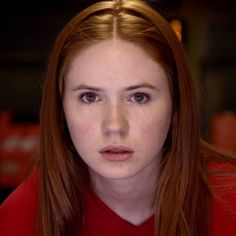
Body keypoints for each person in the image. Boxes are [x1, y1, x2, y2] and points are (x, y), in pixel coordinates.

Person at [0, 0, 236, 235]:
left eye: (139, 97)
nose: (114, 125)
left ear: (176, 103)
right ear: (60, 107)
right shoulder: (20, 216)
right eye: (90, 97)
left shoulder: (230, 202)